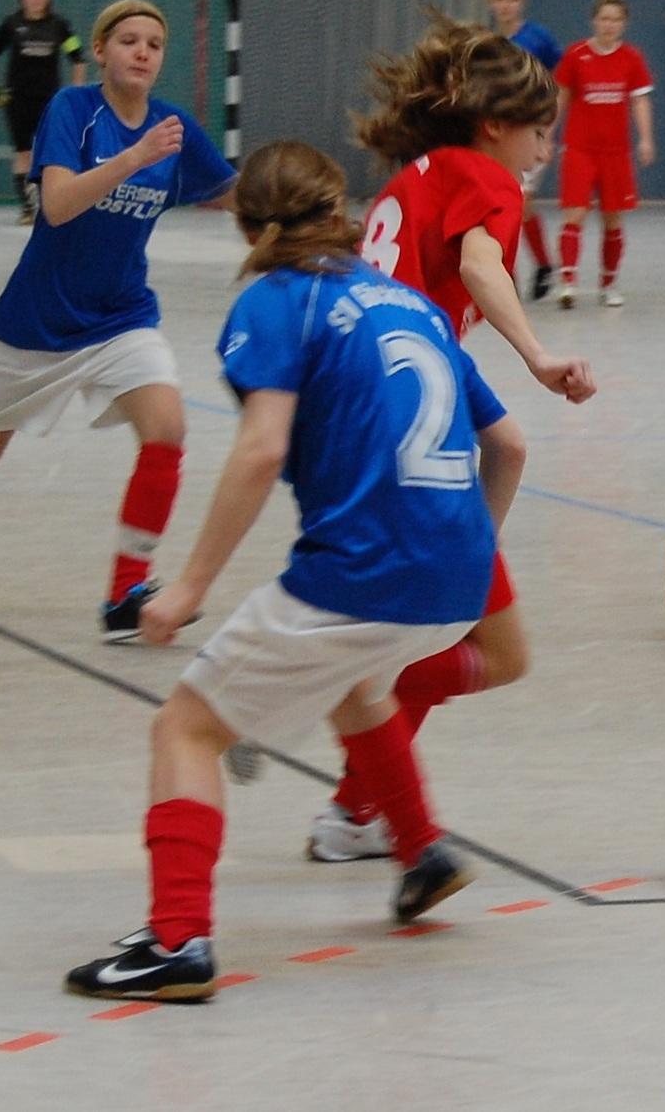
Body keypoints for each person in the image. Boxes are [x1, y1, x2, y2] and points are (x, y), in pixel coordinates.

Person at [64, 140, 527, 1001]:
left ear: (247, 224)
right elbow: (507, 443)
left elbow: (261, 447)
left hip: (359, 572)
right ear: (336, 208)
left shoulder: (276, 301)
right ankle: (421, 851)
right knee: (355, 682)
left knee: (185, 730)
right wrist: (459, 551)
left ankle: (176, 943)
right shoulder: (410, 303)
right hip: (457, 568)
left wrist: (191, 586)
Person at [233, 17, 592, 864]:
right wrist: (537, 354)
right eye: (541, 132)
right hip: (400, 413)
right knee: (490, 653)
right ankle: (353, 795)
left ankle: (355, 789)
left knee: (499, 477)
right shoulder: (486, 179)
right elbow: (478, 267)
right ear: (495, 125)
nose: (546, 149)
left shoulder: (413, 177)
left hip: (369, 398)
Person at [0, 0, 235, 637]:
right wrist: (133, 158)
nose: (142, 52)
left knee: (167, 429)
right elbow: (60, 204)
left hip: (121, 315)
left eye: (154, 44)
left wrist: (308, 222)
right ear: (99, 51)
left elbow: (237, 193)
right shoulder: (74, 110)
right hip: (36, 323)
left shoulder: (173, 124)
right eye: (128, 40)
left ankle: (124, 595)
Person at [551, 0, 655, 308]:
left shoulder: (631, 58)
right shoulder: (576, 55)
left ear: (624, 24)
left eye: (616, 20)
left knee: (613, 219)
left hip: (615, 152)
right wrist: (546, 135)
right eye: (604, 19)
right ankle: (567, 281)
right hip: (580, 148)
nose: (609, 25)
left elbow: (639, 100)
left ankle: (609, 284)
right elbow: (562, 97)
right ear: (594, 21)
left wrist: (646, 138)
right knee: (575, 213)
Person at [0, 0, 88, 224]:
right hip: (18, 100)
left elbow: (78, 58)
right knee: (24, 153)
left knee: (52, 153)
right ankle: (28, 208)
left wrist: (76, 94)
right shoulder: (12, 25)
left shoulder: (59, 26)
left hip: (51, 100)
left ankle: (54, 205)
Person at [487, 0, 564, 299]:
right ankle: (541, 265)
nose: (506, 5)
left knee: (516, 202)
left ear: (522, 3)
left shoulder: (538, 39)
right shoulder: (488, 44)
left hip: (531, 131)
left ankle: (509, 276)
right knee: (513, 204)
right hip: (501, 133)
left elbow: (561, 85)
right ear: (493, 4)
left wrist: (547, 132)